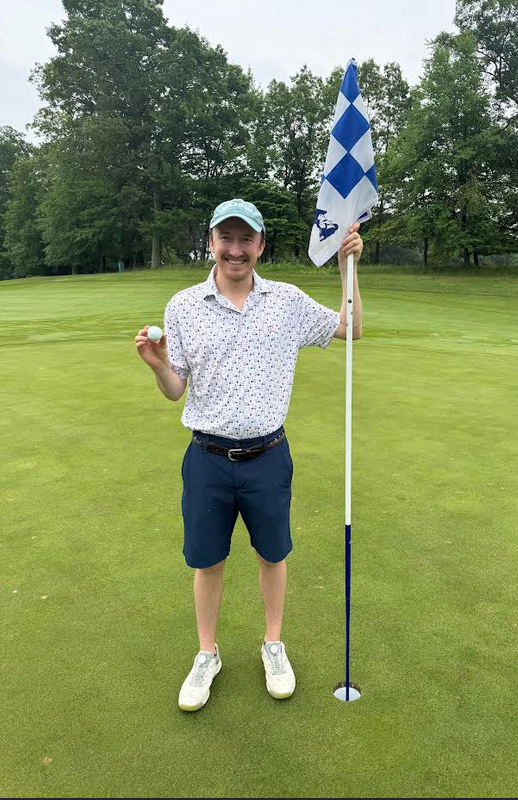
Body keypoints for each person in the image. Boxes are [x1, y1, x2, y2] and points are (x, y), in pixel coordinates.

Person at [134, 198, 363, 712]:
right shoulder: (183, 306)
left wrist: (352, 269)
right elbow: (176, 390)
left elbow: (350, 329)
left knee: (272, 554)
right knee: (207, 560)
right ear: (211, 242)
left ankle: (273, 645)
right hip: (207, 456)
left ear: (260, 245)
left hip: (268, 456)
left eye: (246, 240)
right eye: (226, 239)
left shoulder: (286, 301)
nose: (235, 250)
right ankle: (206, 654)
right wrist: (156, 365)